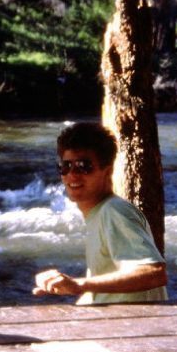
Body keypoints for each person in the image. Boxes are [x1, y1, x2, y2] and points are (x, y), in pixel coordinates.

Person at [33, 122, 168, 304]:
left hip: (132, 327)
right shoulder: (98, 213)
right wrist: (71, 290)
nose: (72, 175)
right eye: (65, 166)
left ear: (108, 171)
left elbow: (153, 273)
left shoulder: (114, 211)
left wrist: (79, 285)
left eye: (83, 166)